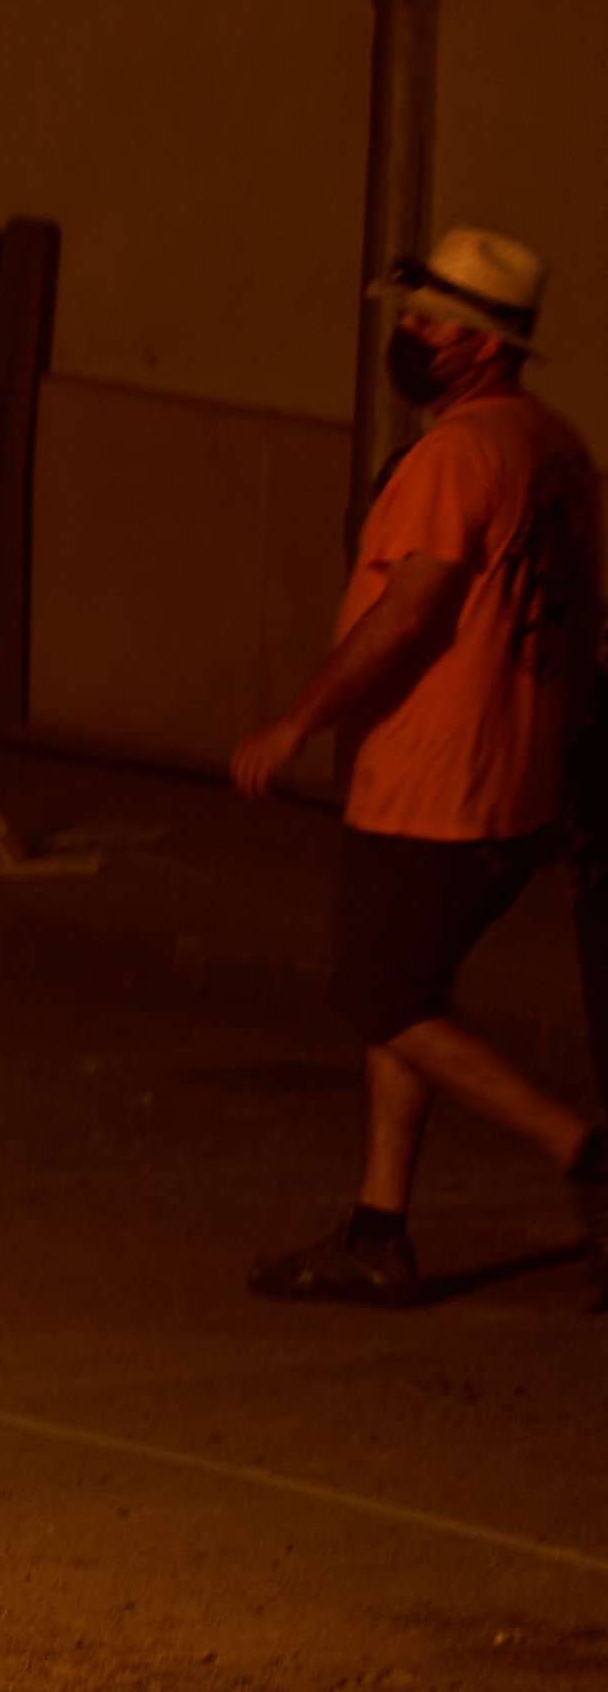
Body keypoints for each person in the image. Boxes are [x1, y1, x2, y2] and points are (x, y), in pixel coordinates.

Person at [229, 229, 608, 1311]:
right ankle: (377, 1229)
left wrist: (297, 718)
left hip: (433, 783)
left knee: (379, 996)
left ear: (484, 348)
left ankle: (581, 1149)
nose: (410, 332)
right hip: (509, 779)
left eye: (433, 320)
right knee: (408, 994)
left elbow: (409, 614)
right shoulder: (560, 446)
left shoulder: (453, 458)